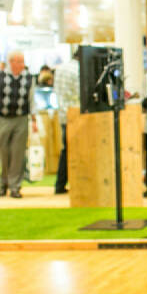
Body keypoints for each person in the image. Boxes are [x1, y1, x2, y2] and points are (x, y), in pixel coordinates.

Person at [0, 50, 38, 198]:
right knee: (4, 152)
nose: (21, 64)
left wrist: (34, 120)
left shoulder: (29, 78)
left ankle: (15, 186)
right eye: (18, 61)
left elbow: (32, 100)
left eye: (22, 61)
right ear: (11, 62)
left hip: (21, 119)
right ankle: (4, 183)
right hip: (3, 119)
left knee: (18, 153)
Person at [53, 48, 81, 194]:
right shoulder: (78, 71)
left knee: (66, 150)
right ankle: (77, 184)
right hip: (76, 116)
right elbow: (80, 93)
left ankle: (60, 184)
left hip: (64, 115)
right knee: (76, 151)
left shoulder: (60, 69)